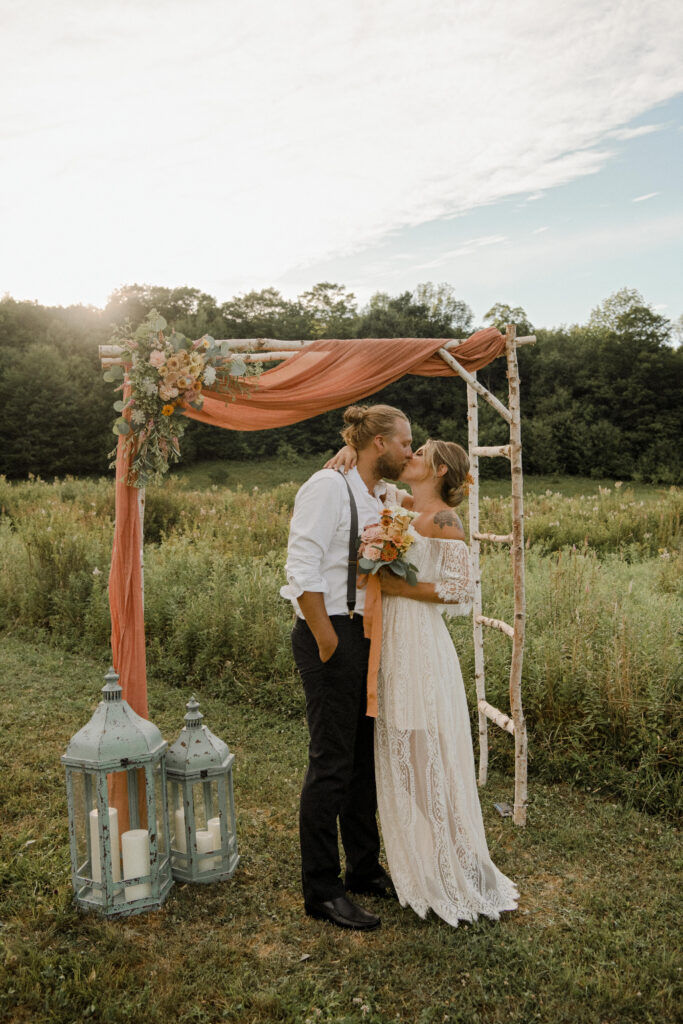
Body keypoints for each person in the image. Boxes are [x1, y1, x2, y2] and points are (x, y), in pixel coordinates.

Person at [326, 438, 519, 926]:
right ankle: (448, 851)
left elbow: (461, 590)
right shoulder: (402, 506)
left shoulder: (444, 521)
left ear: (435, 469)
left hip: (419, 648)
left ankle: (463, 859)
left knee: (422, 753)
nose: (407, 457)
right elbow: (371, 475)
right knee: (405, 757)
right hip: (388, 643)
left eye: (417, 453)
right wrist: (348, 450)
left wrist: (395, 584)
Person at [280, 403, 413, 930]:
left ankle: (362, 868)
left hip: (367, 634)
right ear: (379, 442)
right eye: (404, 441)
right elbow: (300, 565)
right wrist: (328, 640)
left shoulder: (379, 493)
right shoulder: (327, 487)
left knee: (363, 760)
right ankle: (322, 889)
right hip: (330, 632)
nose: (410, 449)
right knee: (331, 764)